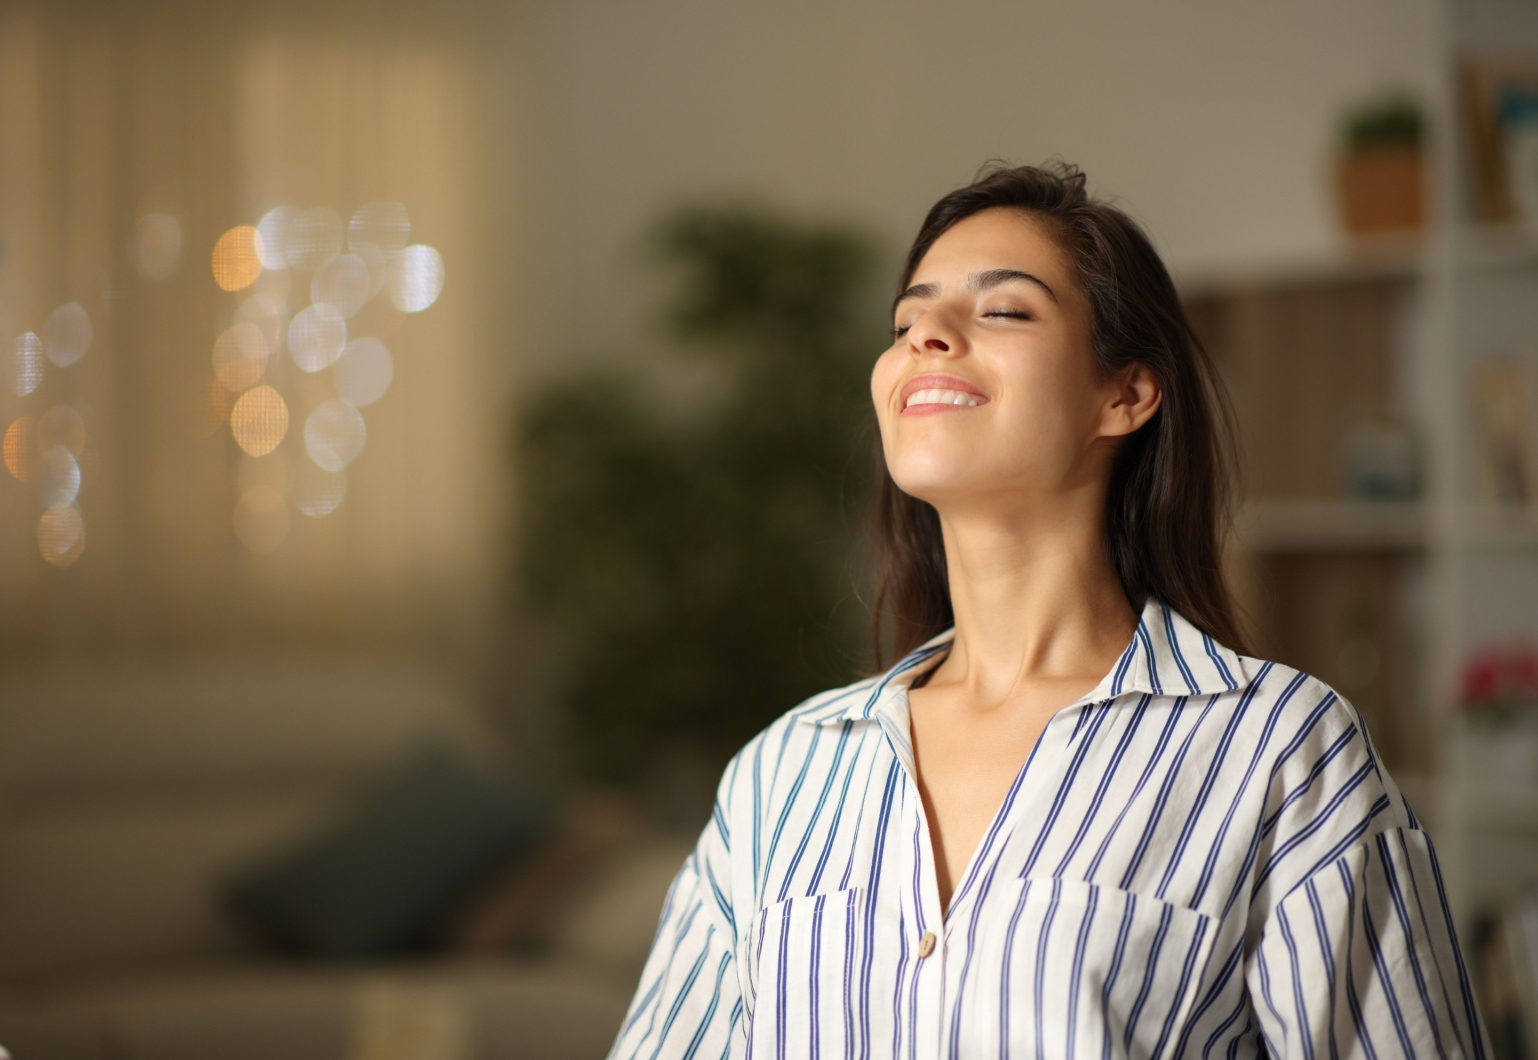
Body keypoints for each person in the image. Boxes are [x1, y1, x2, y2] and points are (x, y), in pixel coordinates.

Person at [606, 162, 1492, 1058]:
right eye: (906, 320)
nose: (928, 338)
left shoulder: (1280, 754)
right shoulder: (780, 774)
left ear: (1126, 394)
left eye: (1003, 310)